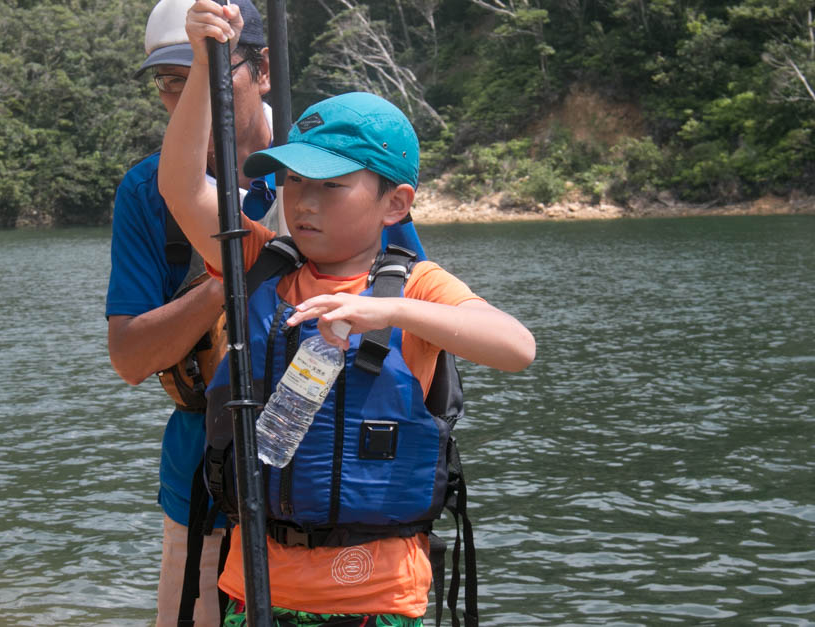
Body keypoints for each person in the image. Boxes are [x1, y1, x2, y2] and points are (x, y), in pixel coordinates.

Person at [158, 7, 537, 625]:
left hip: (377, 600)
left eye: (331, 184)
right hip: (258, 589)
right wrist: (206, 64)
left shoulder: (416, 285)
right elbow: (180, 185)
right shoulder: (257, 261)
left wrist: (384, 309)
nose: (302, 200)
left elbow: (516, 346)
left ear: (396, 202)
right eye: (291, 180)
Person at [104, 0, 273, 624]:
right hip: (201, 482)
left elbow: (400, 295)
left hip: (320, 489)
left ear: (263, 71)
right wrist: (228, 278)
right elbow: (130, 358)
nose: (186, 97)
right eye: (173, 81)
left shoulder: (326, 172)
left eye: (207, 73)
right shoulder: (148, 192)